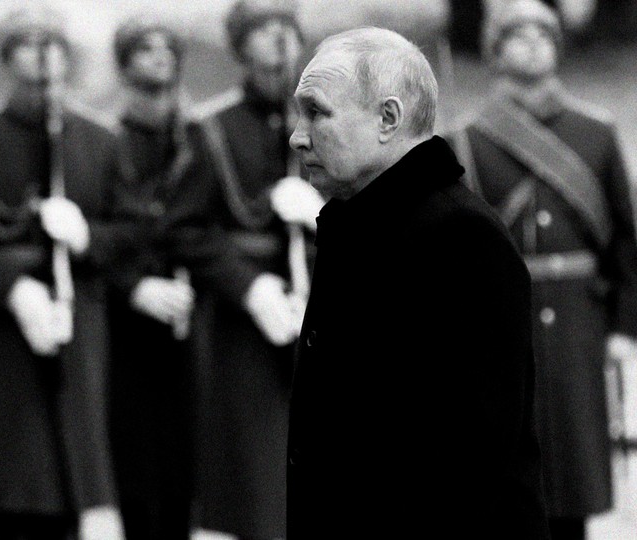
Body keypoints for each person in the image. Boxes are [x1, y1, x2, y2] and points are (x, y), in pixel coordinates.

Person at [287, 27, 551, 539]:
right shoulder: (359, 222)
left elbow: (468, 460)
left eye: (316, 112)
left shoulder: (460, 237)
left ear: (388, 118)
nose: (298, 135)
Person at [0, 8, 121, 540]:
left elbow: (130, 235)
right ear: (6, 58)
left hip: (75, 328)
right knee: (0, 498)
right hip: (2, 335)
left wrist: (86, 237)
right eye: (27, 47)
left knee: (66, 498)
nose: (43, 60)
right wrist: (12, 289)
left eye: (54, 47)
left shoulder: (99, 138)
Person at [455, 1, 637, 538]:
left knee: (574, 481)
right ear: (494, 51)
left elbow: (626, 242)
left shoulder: (596, 133)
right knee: (511, 476)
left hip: (581, 324)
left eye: (544, 33)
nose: (533, 42)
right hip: (506, 327)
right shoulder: (470, 138)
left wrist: (625, 327)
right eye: (517, 34)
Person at [183, 1, 322, 538]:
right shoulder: (212, 129)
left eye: (286, 28)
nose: (279, 41)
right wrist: (251, 286)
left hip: (327, 316)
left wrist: (321, 216)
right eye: (264, 31)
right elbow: (186, 231)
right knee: (261, 496)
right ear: (240, 48)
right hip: (247, 332)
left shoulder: (330, 120)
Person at [107, 18, 198, 540]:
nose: (159, 56)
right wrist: (134, 286)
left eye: (168, 47)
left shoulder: (195, 134)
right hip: (130, 319)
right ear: (124, 63)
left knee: (186, 463)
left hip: (192, 310)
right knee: (137, 463)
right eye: (144, 48)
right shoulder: (107, 139)